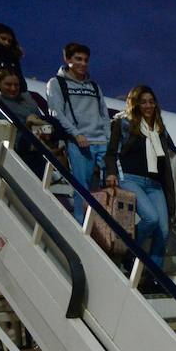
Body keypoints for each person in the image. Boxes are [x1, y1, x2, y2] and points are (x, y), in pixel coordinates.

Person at [103, 85, 176, 272]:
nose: (148, 106)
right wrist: (111, 172)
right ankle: (129, 251)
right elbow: (111, 153)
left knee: (164, 232)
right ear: (136, 104)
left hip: (155, 184)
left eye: (151, 101)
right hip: (130, 178)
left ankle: (153, 274)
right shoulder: (123, 123)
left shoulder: (159, 129)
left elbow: (169, 154)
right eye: (143, 102)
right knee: (151, 219)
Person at [46, 43, 110, 225]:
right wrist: (76, 134)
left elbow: (104, 115)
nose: (83, 63)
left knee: (110, 185)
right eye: (78, 59)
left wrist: (107, 138)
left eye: (86, 60)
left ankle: (103, 227)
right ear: (67, 59)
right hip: (80, 143)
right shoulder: (57, 83)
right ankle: (81, 226)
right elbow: (56, 112)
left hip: (101, 142)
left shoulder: (94, 87)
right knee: (81, 188)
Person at [0, 68, 66, 178]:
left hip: (38, 132)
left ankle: (48, 148)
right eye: (8, 85)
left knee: (45, 122)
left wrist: (35, 122)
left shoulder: (26, 98)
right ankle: (49, 150)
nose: (13, 88)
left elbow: (42, 120)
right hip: (18, 139)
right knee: (31, 126)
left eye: (16, 85)